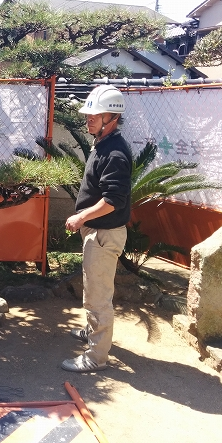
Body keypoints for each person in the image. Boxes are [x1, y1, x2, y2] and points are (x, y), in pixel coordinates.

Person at [61, 85, 132, 373]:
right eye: (88, 115)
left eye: (95, 115)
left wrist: (81, 217)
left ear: (112, 118)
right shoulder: (102, 144)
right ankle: (93, 334)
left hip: (104, 235)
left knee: (97, 297)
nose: (88, 120)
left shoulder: (114, 153)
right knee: (94, 289)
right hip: (98, 233)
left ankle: (96, 357)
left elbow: (113, 200)